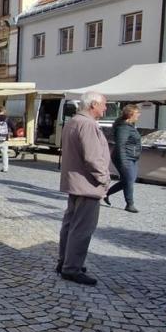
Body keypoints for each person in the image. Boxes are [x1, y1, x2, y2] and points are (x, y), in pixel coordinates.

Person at [56, 91, 110, 286]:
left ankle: (65, 261)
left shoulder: (74, 121)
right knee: (82, 228)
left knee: (70, 224)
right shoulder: (87, 124)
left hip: (76, 182)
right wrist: (104, 178)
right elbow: (93, 157)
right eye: (104, 104)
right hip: (88, 184)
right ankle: (71, 268)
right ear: (93, 104)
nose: (105, 108)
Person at [105, 105, 142, 213]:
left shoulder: (130, 126)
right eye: (137, 113)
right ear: (130, 114)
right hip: (124, 157)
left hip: (132, 157)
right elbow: (120, 145)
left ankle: (106, 193)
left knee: (128, 180)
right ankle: (129, 204)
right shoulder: (123, 128)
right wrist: (124, 161)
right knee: (129, 180)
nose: (139, 115)